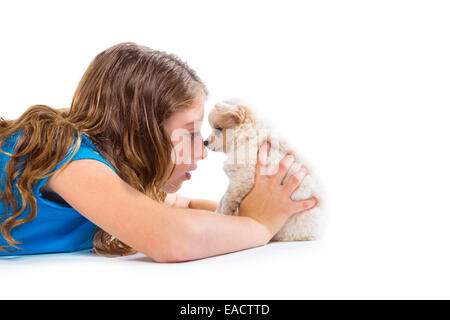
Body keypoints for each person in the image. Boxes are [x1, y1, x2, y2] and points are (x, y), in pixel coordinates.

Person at [0, 42, 317, 262]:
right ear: (141, 131)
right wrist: (259, 226)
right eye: (190, 132)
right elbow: (172, 238)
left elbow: (184, 207)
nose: (203, 151)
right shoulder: (66, 152)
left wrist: (252, 213)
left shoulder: (113, 180)